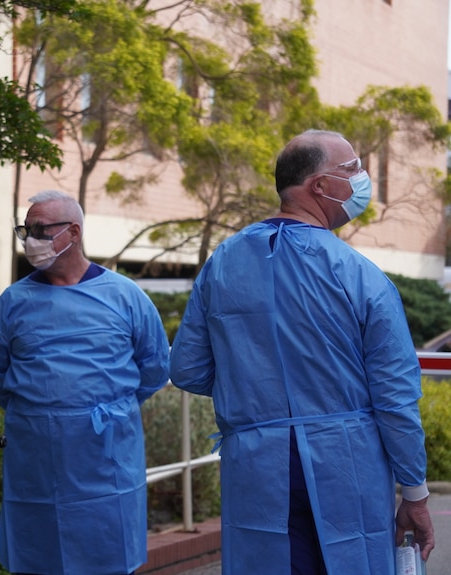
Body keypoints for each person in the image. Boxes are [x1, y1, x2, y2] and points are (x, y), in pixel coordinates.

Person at [169, 129, 435, 575]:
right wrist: (414, 494)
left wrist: (255, 389)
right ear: (320, 186)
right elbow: (395, 399)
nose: (362, 179)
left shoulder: (222, 263)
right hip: (346, 464)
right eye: (353, 169)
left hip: (256, 464)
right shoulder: (360, 276)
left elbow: (187, 368)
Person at [0, 189, 170, 575]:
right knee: (38, 557)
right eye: (26, 230)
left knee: (107, 554)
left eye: (41, 229)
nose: (32, 239)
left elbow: (154, 367)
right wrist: (45, 412)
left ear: (74, 233)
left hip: (107, 455)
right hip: (36, 457)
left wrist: (108, 407)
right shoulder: (14, 302)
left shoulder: (125, 296)